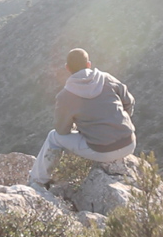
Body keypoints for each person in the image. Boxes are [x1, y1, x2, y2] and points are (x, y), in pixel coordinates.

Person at [28, 48, 137, 188]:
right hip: (129, 143)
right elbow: (129, 101)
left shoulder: (65, 96)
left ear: (67, 68)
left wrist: (78, 126)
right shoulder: (107, 78)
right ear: (88, 64)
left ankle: (37, 181)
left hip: (102, 151)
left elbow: (61, 131)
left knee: (53, 137)